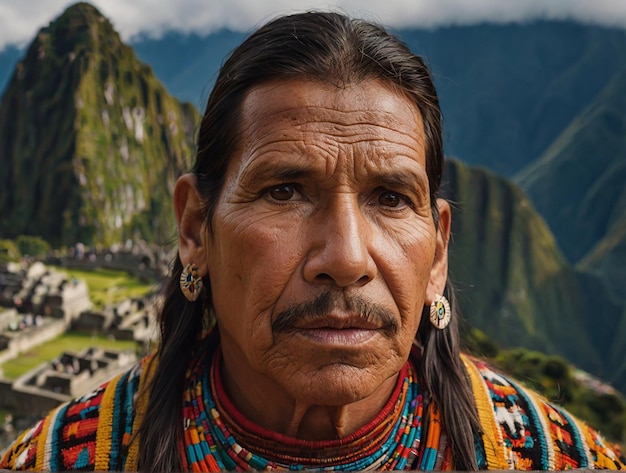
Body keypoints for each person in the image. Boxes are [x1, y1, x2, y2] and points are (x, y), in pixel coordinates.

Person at [1, 11, 624, 472]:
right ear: (195, 228)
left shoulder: (554, 459)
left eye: (390, 198)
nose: (347, 259)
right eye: (285, 192)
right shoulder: (61, 460)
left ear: (437, 252)